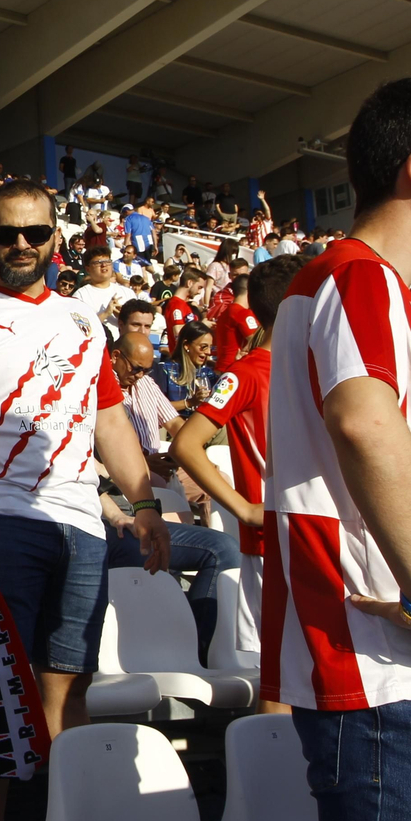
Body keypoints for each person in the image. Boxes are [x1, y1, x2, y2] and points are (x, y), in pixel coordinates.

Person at [0, 178, 169, 821]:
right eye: (6, 234)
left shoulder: (86, 323)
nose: (21, 246)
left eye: (35, 233)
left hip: (81, 523)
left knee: (68, 684)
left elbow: (109, 418)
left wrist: (144, 505)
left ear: (58, 239)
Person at [261, 78, 411, 821]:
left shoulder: (368, 284)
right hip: (378, 669)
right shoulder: (355, 273)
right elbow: (365, 422)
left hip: (390, 670)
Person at [170, 252, 303, 704]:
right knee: (281, 675)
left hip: (323, 536)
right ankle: (270, 773)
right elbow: (185, 444)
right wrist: (244, 508)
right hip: (274, 545)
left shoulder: (318, 368)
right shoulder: (246, 374)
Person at [105, 328, 236, 661]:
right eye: (135, 368)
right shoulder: (96, 388)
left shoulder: (146, 383)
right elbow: (99, 456)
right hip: (121, 495)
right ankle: (193, 649)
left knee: (214, 486)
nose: (141, 375)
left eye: (147, 369)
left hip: (155, 481)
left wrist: (189, 453)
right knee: (219, 550)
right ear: (115, 357)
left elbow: (177, 426)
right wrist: (144, 464)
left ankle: (194, 647)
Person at [152, 320, 217, 414]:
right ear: (186, 345)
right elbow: (156, 407)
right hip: (174, 426)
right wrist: (189, 402)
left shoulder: (207, 373)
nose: (208, 352)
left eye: (210, 347)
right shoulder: (164, 371)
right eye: (204, 347)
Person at [72, 245, 135, 332]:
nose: (104, 265)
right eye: (98, 262)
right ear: (88, 269)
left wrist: (123, 316)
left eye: (107, 261)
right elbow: (79, 330)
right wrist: (105, 314)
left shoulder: (127, 293)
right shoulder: (80, 296)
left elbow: (138, 326)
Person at [210, 274, 259, 373]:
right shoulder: (243, 313)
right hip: (234, 369)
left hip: (222, 367)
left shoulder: (225, 313)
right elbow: (258, 341)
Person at [162, 268, 206, 360]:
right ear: (189, 283)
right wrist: (202, 326)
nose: (199, 292)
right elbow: (178, 331)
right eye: (199, 287)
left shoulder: (183, 305)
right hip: (181, 359)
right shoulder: (176, 304)